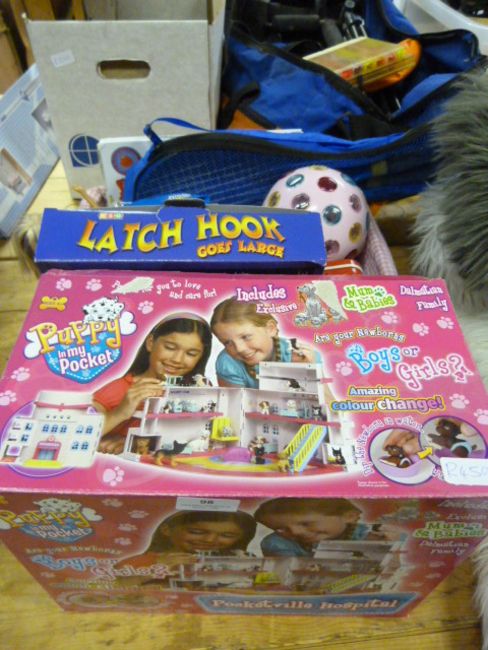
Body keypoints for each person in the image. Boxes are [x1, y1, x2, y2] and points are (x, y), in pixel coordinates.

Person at [93, 313, 212, 454]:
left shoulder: (202, 390)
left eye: (191, 354)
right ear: (150, 343)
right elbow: (78, 432)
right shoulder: (118, 389)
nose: (177, 359)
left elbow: (205, 437)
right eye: (170, 347)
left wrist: (135, 442)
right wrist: (121, 412)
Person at [115, 510, 257, 583]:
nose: (209, 540)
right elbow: (113, 587)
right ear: (166, 530)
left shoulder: (242, 562)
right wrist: (157, 569)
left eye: (227, 535)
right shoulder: (140, 562)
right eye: (196, 532)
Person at [210, 297, 321, 388]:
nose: (239, 348)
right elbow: (232, 405)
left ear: (270, 329)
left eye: (246, 337)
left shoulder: (304, 356)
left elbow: (327, 402)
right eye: (227, 342)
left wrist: (310, 371)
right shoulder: (228, 363)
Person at [254, 497, 388, 557]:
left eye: (306, 523)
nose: (295, 532)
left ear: (349, 516)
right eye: (280, 528)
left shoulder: (368, 534)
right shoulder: (278, 543)